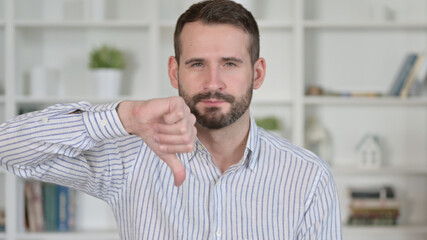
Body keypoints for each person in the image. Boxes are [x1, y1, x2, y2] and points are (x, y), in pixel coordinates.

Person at [0, 0, 342, 239]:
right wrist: (125, 116)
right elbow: (7, 147)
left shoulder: (308, 178)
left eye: (230, 63)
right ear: (174, 72)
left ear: (258, 72)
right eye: (197, 64)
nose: (213, 82)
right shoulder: (130, 158)